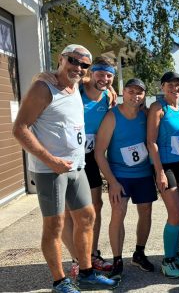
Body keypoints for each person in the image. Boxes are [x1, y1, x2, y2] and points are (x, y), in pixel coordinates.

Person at [13, 44, 117, 292]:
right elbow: (19, 129)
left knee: (87, 217)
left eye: (84, 65)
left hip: (76, 166)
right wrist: (49, 160)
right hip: (51, 170)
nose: (78, 67)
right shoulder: (43, 86)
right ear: (61, 59)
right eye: (73, 60)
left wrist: (111, 87)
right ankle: (59, 281)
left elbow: (99, 85)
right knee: (55, 225)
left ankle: (87, 272)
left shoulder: (75, 88)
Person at [94, 78, 157, 279]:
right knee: (118, 213)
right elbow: (99, 152)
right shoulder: (112, 117)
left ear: (144, 96)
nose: (134, 96)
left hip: (143, 173)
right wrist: (112, 182)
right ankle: (117, 259)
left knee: (146, 211)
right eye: (131, 91)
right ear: (124, 92)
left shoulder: (145, 115)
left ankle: (139, 253)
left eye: (139, 92)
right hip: (120, 175)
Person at [147, 71, 179, 278]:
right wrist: (159, 172)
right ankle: (167, 261)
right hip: (165, 165)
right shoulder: (158, 108)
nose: (175, 88)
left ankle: (175, 254)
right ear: (162, 87)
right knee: (174, 212)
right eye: (170, 84)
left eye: (178, 85)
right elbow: (151, 141)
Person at [80, 56, 117, 273]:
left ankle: (93, 254)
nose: (104, 79)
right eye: (101, 74)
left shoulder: (108, 98)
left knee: (96, 207)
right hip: (70, 157)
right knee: (74, 211)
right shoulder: (77, 92)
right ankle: (79, 259)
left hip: (92, 158)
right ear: (92, 73)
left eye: (109, 75)